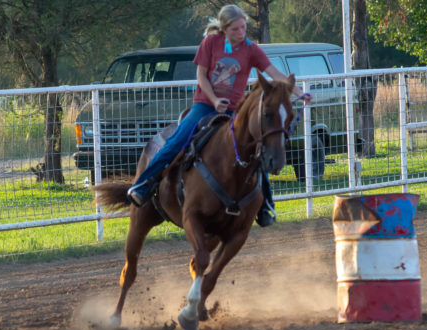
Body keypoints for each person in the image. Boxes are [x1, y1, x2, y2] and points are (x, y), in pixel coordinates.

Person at [126, 4, 311, 227]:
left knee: (255, 150)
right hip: (204, 105)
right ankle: (144, 185)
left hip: (235, 111)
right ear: (224, 30)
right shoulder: (211, 43)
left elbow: (273, 73)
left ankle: (266, 205)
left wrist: (300, 92)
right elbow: (201, 76)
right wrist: (214, 100)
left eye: (243, 27)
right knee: (177, 140)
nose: (241, 33)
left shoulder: (251, 49)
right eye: (235, 29)